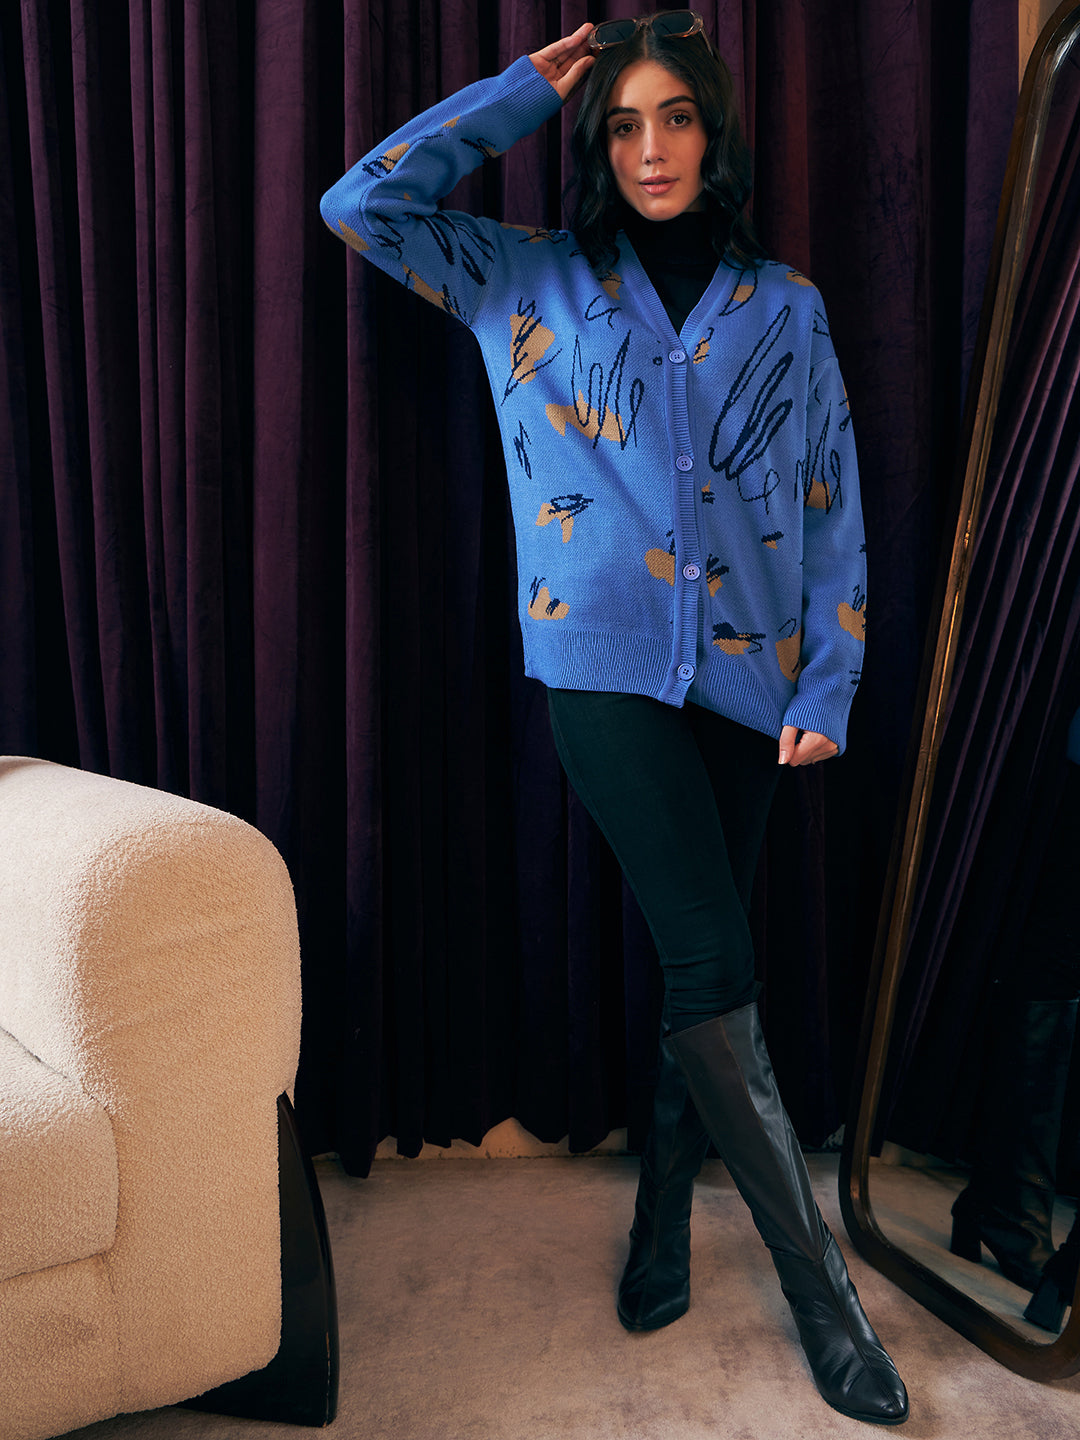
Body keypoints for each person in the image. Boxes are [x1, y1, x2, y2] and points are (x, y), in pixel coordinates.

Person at [322, 12, 907, 1426]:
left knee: (708, 964)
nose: (653, 150)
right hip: (601, 665)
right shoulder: (521, 277)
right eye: (628, 124)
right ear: (598, 140)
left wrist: (830, 680)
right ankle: (825, 1301)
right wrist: (520, 94)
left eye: (678, 120)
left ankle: (660, 1221)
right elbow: (360, 205)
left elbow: (832, 495)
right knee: (712, 953)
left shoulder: (786, 305)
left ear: (715, 136)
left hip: (757, 674)